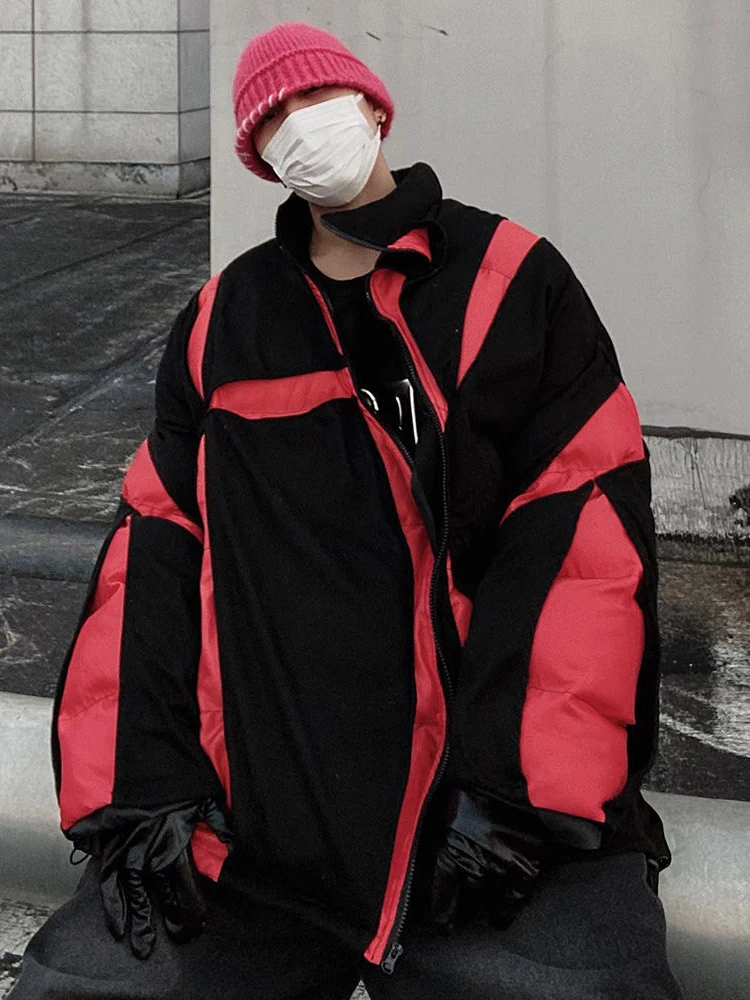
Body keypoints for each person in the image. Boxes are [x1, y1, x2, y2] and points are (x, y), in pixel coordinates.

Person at [11, 21, 685, 1000]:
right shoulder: (224, 320)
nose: (298, 122)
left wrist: (515, 792)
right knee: (77, 984)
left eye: (313, 97)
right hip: (258, 836)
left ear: (372, 106)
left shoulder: (511, 279)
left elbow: (582, 537)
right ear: (259, 155)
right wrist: (142, 788)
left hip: (490, 828)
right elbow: (150, 558)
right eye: (271, 115)